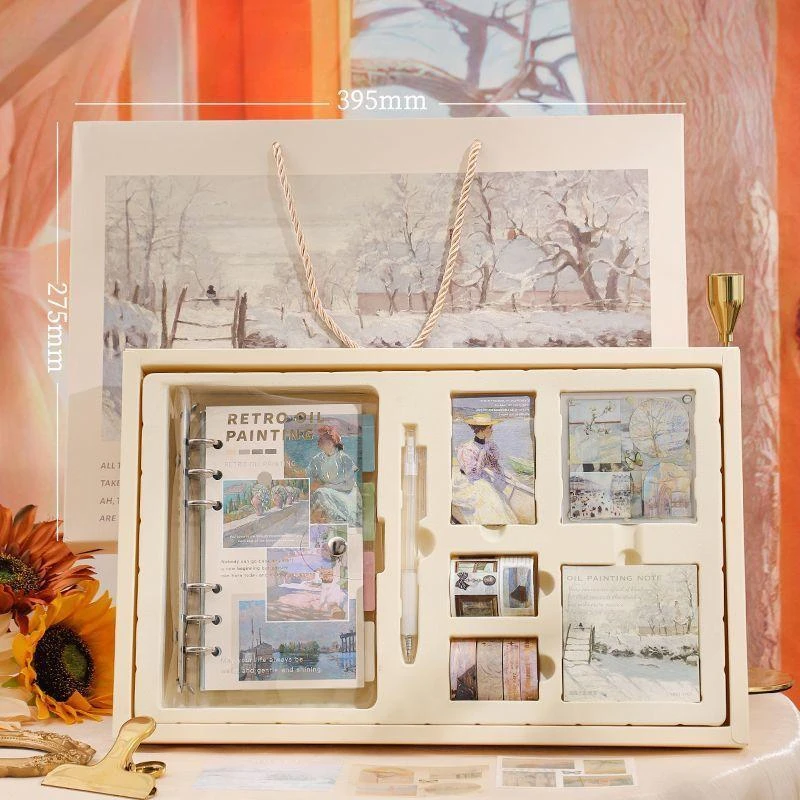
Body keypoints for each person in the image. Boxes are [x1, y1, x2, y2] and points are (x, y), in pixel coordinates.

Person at [451, 412, 517, 524]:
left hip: (482, 478)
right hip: (468, 481)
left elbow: (494, 464)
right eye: (490, 428)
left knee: (496, 495)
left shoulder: (490, 445)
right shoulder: (467, 449)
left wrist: (504, 474)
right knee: (489, 496)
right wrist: (483, 454)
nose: (492, 430)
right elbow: (472, 474)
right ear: (481, 430)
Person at [307, 425, 362, 525]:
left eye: (321, 439)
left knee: (320, 493)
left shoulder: (344, 459)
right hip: (326, 493)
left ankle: (335, 521)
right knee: (318, 494)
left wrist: (326, 487)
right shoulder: (317, 459)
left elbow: (349, 486)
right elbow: (311, 477)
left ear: (331, 442)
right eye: (319, 439)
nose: (318, 441)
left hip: (346, 495)